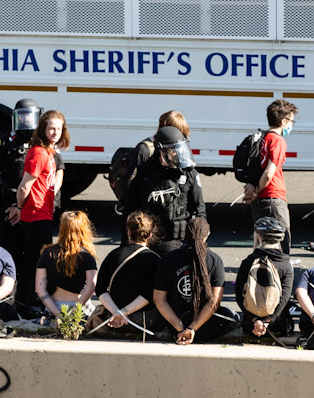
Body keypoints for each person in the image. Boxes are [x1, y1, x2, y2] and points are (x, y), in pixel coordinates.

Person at [0, 98, 41, 292]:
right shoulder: (6, 141)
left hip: (31, 209)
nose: (25, 122)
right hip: (6, 207)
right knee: (6, 254)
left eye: (29, 118)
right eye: (21, 118)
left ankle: (29, 297)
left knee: (32, 257)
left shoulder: (41, 144)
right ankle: (5, 296)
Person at [11, 109, 67, 308]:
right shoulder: (39, 153)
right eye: (51, 128)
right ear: (43, 128)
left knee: (34, 261)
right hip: (35, 215)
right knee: (37, 263)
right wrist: (19, 207)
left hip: (42, 214)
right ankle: (27, 301)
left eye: (58, 129)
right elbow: (25, 186)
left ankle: (26, 300)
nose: (55, 132)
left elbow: (53, 178)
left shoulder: (49, 151)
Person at [153, 217, 238, 344]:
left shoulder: (168, 259)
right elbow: (214, 301)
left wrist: (181, 328)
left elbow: (159, 299)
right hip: (207, 327)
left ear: (185, 234)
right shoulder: (215, 260)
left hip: (175, 327)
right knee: (233, 316)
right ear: (207, 236)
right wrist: (192, 328)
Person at [123, 123, 204, 254]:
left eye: (179, 149)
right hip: (149, 240)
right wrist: (128, 243)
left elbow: (200, 210)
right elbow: (130, 209)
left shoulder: (188, 173)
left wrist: (199, 239)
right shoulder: (144, 172)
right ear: (162, 152)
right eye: (173, 150)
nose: (177, 154)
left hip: (179, 241)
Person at [92, 211, 164, 337]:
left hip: (111, 319)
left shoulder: (113, 255)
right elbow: (149, 295)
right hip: (143, 321)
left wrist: (117, 313)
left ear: (129, 232)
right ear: (150, 235)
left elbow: (100, 289)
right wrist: (124, 312)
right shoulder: (155, 260)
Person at [243, 99, 297, 255]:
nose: (291, 125)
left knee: (261, 243)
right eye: (291, 121)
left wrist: (254, 191)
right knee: (281, 243)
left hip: (259, 201)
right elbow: (269, 172)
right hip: (273, 198)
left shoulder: (262, 138)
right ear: (283, 121)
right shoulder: (278, 141)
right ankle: (280, 277)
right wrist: (257, 191)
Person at [234, 217, 294, 338]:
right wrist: (267, 321)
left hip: (250, 326)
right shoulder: (285, 264)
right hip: (278, 326)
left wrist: (256, 320)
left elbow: (239, 295)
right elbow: (285, 298)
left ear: (259, 237)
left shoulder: (248, 262)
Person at [34, 210, 98, 319]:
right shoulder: (87, 256)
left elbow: (40, 289)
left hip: (53, 308)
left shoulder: (47, 252)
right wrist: (74, 311)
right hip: (80, 308)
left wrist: (58, 314)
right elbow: (91, 286)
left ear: (62, 228)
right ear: (84, 229)